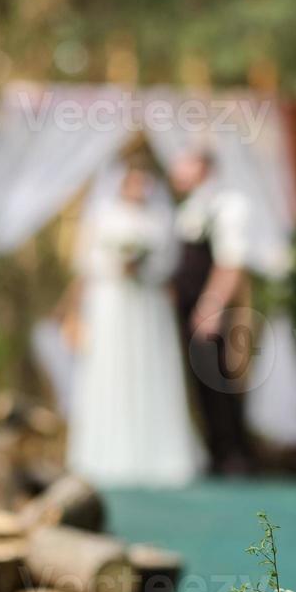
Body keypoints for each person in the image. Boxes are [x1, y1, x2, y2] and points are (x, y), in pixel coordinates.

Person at [66, 160, 200, 486]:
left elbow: (168, 262)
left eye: (144, 182)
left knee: (149, 369)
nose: (139, 188)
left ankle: (158, 453)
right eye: (133, 181)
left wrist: (144, 268)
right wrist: (116, 266)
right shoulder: (102, 215)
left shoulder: (160, 218)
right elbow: (86, 259)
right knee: (111, 369)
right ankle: (106, 452)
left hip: (148, 306)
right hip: (112, 305)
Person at [170, 150, 253, 476]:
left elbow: (230, 262)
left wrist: (212, 304)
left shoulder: (228, 204)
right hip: (187, 306)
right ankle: (217, 451)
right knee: (201, 381)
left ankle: (235, 454)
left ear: (203, 167)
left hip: (208, 307)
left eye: (185, 161)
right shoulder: (190, 207)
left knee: (218, 377)